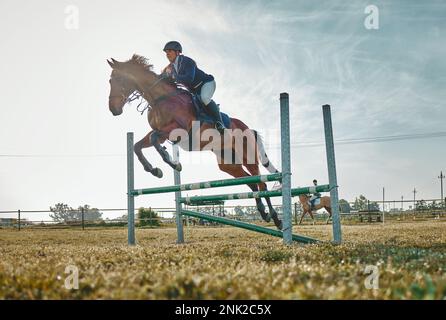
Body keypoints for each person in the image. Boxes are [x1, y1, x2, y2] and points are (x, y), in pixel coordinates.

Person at [161, 41, 225, 133]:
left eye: (170, 51)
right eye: (166, 52)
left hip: (206, 83)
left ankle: (219, 123)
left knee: (205, 98)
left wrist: (174, 77)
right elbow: (160, 79)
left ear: (177, 52)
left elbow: (189, 79)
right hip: (194, 91)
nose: (167, 54)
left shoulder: (187, 61)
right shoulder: (170, 67)